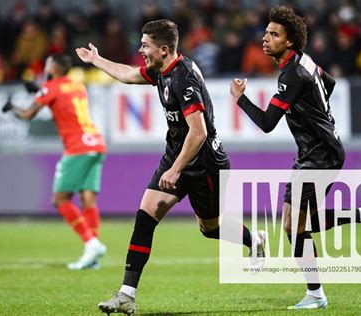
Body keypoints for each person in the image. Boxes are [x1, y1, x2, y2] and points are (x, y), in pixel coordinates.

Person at [76, 19, 265, 315]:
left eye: (145, 45)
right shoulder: (161, 70)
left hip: (205, 163)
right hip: (177, 154)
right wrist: (96, 59)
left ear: (163, 49)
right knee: (145, 216)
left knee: (210, 228)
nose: (140, 50)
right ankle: (127, 295)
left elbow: (199, 132)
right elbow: (127, 75)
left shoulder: (183, 78)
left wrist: (175, 170)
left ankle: (253, 239)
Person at [230, 6, 361, 310]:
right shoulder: (304, 62)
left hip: (320, 155)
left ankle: (316, 294)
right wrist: (316, 112)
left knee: (294, 226)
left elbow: (266, 123)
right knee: (297, 223)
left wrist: (240, 99)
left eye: (273, 34)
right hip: (317, 151)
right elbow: (327, 84)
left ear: (289, 41)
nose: (265, 38)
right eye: (266, 32)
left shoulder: (292, 73)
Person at [2, 54, 108, 270]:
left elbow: (28, 114)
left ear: (54, 67)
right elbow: (61, 102)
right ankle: (93, 256)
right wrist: (41, 89)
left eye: (48, 63)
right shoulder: (77, 86)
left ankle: (91, 243)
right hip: (96, 143)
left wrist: (11, 108)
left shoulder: (50, 88)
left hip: (77, 147)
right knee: (88, 199)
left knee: (60, 199)